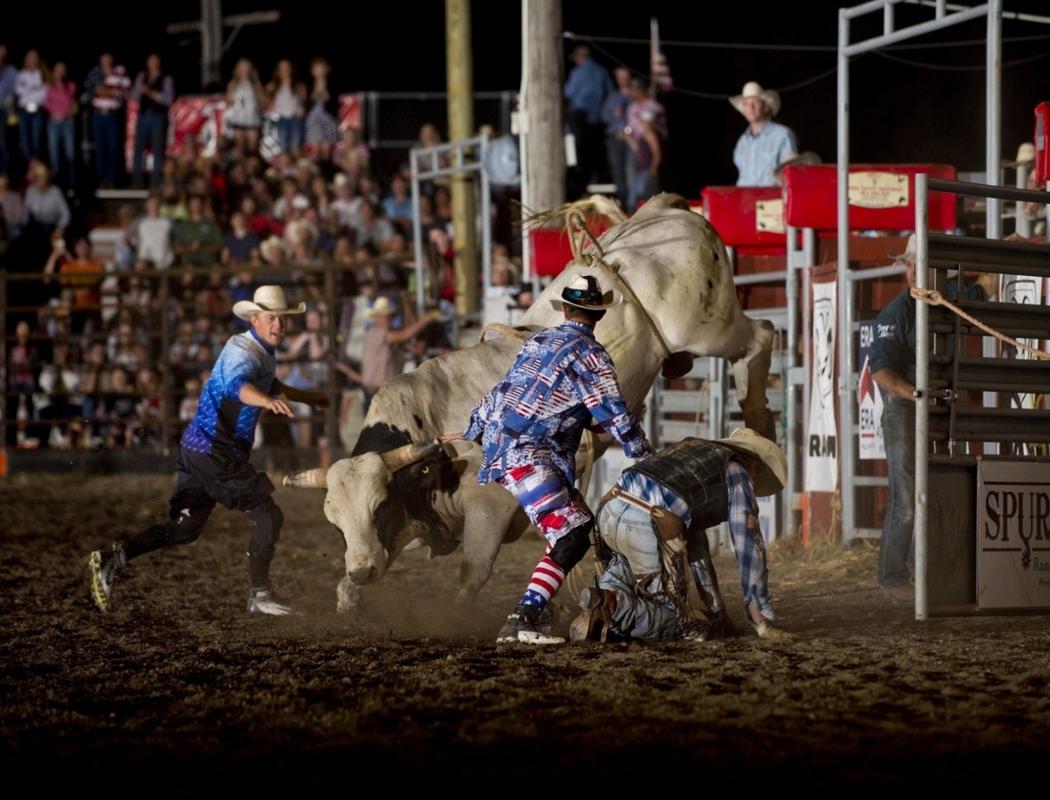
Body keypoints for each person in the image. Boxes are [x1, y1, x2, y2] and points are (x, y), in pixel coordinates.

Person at [87, 285, 331, 616]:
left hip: (197, 448)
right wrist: (268, 402)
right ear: (255, 319)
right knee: (267, 514)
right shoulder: (242, 353)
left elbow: (266, 384)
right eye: (273, 318)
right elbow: (240, 388)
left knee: (185, 528)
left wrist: (306, 398)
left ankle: (115, 558)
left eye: (284, 319)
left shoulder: (256, 350)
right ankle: (260, 594)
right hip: (217, 451)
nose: (279, 325)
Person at [458, 274, 652, 644]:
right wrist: (641, 452)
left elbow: (508, 390)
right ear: (598, 315)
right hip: (530, 452)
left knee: (578, 526)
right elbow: (613, 410)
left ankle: (539, 609)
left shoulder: (539, 342)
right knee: (573, 533)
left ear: (564, 308)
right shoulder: (591, 355)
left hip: (510, 446)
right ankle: (523, 618)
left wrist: (475, 427)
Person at [570, 428, 790, 643]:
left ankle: (599, 603)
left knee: (622, 576)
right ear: (754, 464)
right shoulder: (737, 470)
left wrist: (717, 611)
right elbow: (748, 543)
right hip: (650, 523)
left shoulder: (692, 455)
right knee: (674, 619)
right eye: (758, 473)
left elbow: (696, 547)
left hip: (611, 510)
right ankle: (612, 608)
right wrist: (759, 616)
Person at [869, 235, 997, 593]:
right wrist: (915, 393)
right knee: (908, 495)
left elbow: (987, 284)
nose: (912, 272)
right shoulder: (897, 313)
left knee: (930, 488)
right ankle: (893, 575)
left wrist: (997, 247)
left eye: (919, 265)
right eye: (909, 265)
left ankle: (916, 570)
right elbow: (879, 369)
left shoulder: (949, 296)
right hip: (904, 408)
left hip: (934, 403)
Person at [360, 295, 439, 412]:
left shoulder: (390, 339)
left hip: (385, 394)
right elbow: (404, 335)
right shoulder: (375, 333)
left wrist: (422, 332)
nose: (389, 319)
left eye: (389, 316)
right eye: (386, 316)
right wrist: (422, 322)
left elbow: (416, 349)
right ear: (376, 318)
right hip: (377, 394)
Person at [563, 45, 612, 194]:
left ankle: (580, 183)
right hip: (596, 119)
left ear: (580, 58)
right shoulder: (601, 71)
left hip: (580, 117)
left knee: (580, 152)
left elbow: (568, 92)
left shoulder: (578, 72)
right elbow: (610, 92)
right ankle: (596, 178)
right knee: (595, 150)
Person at [730, 81, 797, 187]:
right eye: (746, 103)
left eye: (755, 102)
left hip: (772, 200)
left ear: (765, 106)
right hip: (744, 199)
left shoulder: (782, 135)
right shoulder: (742, 142)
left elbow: (792, 176)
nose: (750, 107)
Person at [131, 54, 174, 187]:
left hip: (158, 117)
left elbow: (168, 99)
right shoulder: (143, 78)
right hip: (143, 116)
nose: (153, 64)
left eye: (155, 61)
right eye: (150, 61)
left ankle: (155, 182)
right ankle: (137, 182)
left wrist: (150, 92)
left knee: (157, 150)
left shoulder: (166, 79)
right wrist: (139, 82)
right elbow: (134, 97)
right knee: (138, 150)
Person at [600, 66, 633, 210]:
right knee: (618, 173)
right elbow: (603, 115)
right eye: (619, 77)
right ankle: (623, 205)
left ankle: (634, 206)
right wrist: (614, 114)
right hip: (615, 139)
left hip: (631, 140)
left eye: (625, 76)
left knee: (631, 172)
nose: (622, 80)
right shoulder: (613, 97)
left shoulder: (634, 95)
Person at [44, 62, 77, 188]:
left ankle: (72, 183)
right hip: (53, 122)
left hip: (67, 122)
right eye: (57, 70)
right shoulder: (49, 87)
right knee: (54, 153)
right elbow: (47, 104)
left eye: (62, 70)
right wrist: (58, 110)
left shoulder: (70, 86)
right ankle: (56, 183)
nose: (60, 73)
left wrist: (61, 86)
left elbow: (68, 101)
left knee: (70, 153)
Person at [15, 49, 47, 162]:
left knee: (36, 140)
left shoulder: (42, 74)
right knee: (24, 142)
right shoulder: (20, 74)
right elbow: (18, 91)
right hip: (24, 110)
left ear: (37, 59)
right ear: (26, 59)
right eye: (30, 57)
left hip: (38, 110)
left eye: (34, 57)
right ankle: (29, 167)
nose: (32, 59)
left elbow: (43, 94)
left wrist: (27, 88)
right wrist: (36, 88)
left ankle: (38, 166)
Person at [625, 110, 661, 210]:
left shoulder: (650, 134)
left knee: (643, 195)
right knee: (636, 195)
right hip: (639, 168)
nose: (642, 123)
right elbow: (637, 149)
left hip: (646, 169)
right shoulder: (644, 134)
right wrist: (629, 139)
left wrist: (653, 167)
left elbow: (656, 152)